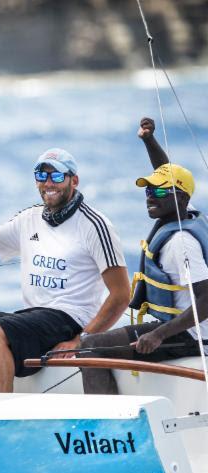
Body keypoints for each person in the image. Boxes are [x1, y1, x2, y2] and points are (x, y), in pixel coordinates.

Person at [0, 148, 130, 393]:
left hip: (71, 319)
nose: (48, 183)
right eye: (41, 175)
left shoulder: (95, 225)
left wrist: (81, 339)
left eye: (57, 176)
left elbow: (121, 295)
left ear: (74, 180)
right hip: (34, 318)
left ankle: (0, 416)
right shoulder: (29, 218)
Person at [80, 119, 208, 394]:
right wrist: (149, 140)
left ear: (182, 197)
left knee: (91, 347)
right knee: (94, 343)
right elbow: (165, 172)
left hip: (196, 336)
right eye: (149, 190)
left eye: (160, 192)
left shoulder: (181, 243)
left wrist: (159, 334)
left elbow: (207, 299)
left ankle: (108, 429)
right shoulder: (184, 211)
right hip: (182, 327)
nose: (150, 196)